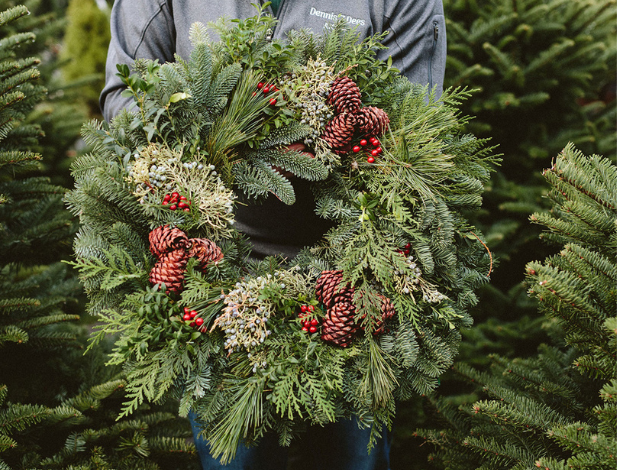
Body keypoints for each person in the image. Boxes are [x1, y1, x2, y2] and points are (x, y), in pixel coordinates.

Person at [100, 1, 446, 469]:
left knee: (352, 460)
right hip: (216, 282)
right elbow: (127, 96)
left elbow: (409, 133)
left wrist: (320, 129)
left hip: (354, 288)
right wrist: (221, 131)